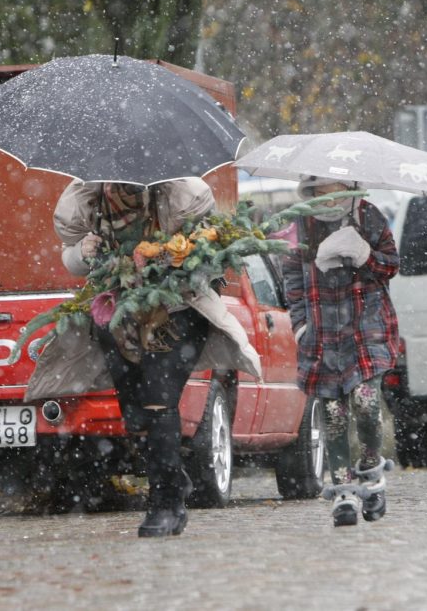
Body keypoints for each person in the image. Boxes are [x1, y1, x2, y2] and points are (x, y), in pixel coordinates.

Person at [25, 178, 262, 537]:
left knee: (158, 403)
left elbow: (210, 254)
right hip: (118, 314)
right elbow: (72, 256)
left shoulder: (181, 197)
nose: (121, 185)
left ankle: (165, 504)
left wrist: (171, 256)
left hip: (177, 312)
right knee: (135, 415)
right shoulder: (90, 200)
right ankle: (175, 479)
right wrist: (83, 252)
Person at [281, 177, 400, 527]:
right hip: (323, 334)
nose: (329, 196)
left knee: (366, 402)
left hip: (366, 330)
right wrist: (301, 326)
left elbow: (390, 266)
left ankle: (371, 470)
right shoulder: (300, 226)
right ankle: (343, 490)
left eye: (336, 188)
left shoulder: (368, 218)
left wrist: (364, 255)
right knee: (332, 414)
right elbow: (292, 281)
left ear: (348, 185)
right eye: (321, 189)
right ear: (312, 190)